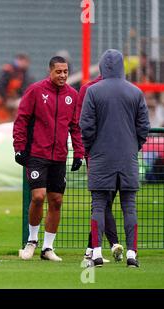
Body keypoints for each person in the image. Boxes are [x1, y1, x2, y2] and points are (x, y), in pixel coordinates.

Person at [80, 49, 150, 268]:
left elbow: (86, 126)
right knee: (129, 206)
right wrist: (133, 147)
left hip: (101, 157)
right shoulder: (135, 92)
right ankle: (131, 254)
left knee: (98, 205)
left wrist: (92, 148)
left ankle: (97, 254)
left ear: (102, 66)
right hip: (127, 158)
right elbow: (144, 127)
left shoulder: (93, 91)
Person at [14, 56, 84, 262]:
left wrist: (79, 153)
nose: (62, 75)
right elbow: (22, 120)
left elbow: (75, 127)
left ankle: (48, 248)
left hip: (59, 156)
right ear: (50, 71)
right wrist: (19, 148)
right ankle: (31, 242)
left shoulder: (72, 95)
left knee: (57, 200)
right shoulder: (35, 90)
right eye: (58, 72)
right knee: (38, 197)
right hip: (37, 154)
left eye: (65, 72)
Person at [77, 76, 124, 264]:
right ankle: (111, 244)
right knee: (102, 200)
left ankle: (92, 249)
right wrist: (87, 153)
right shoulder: (89, 88)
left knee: (104, 201)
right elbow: (83, 122)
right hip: (98, 156)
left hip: (113, 155)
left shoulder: (122, 87)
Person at [0, 53, 32, 123]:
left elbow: (24, 89)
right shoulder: (8, 70)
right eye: (25, 62)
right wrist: (6, 99)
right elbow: (0, 87)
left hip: (13, 99)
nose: (26, 65)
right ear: (20, 60)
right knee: (4, 121)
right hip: (3, 99)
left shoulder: (23, 73)